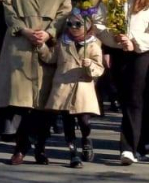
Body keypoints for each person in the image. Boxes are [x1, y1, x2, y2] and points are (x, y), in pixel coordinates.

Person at [0, 0, 72, 166]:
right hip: (20, 43)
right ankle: (21, 147)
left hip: (47, 45)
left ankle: (39, 145)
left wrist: (49, 33)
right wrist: (24, 30)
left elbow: (65, 11)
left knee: (43, 103)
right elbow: (8, 9)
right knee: (22, 102)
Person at [96, 0, 149, 165]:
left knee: (135, 99)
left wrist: (134, 41)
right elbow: (99, 24)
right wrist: (116, 38)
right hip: (120, 52)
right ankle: (137, 144)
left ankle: (128, 148)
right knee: (128, 98)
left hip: (142, 53)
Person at [40, 14, 103, 168]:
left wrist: (90, 65)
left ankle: (86, 139)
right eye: (69, 24)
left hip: (83, 89)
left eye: (77, 24)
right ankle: (73, 154)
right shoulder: (63, 41)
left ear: (87, 25)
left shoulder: (93, 44)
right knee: (67, 122)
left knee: (84, 121)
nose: (73, 27)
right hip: (64, 87)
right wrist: (41, 46)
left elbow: (99, 68)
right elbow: (50, 58)